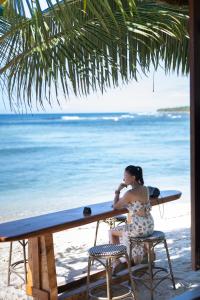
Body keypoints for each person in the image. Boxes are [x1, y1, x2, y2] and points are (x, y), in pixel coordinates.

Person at [109, 165, 154, 271]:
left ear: (133, 178)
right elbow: (136, 204)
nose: (123, 179)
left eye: (125, 176)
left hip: (139, 229)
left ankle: (117, 262)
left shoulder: (129, 193)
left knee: (112, 232)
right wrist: (127, 203)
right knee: (127, 227)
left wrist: (118, 191)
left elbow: (115, 206)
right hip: (149, 225)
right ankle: (141, 256)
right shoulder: (145, 189)